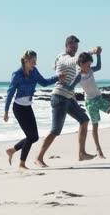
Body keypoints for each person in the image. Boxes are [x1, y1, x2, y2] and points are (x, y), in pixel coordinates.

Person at [35, 35, 99, 168]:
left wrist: (92, 52)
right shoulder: (65, 58)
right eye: (72, 46)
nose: (75, 48)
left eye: (76, 46)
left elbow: (78, 59)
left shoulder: (65, 58)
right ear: (66, 46)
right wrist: (92, 51)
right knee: (55, 130)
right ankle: (38, 157)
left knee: (84, 120)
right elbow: (76, 60)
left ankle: (81, 153)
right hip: (59, 97)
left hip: (69, 97)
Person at [4, 50, 64, 170]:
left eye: (35, 62)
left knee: (34, 137)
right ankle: (21, 164)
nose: (34, 64)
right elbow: (10, 93)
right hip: (19, 108)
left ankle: (12, 150)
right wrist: (6, 111)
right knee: (31, 136)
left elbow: (44, 83)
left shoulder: (34, 72)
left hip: (28, 107)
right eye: (33, 62)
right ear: (25, 61)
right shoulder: (17, 74)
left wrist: (57, 77)